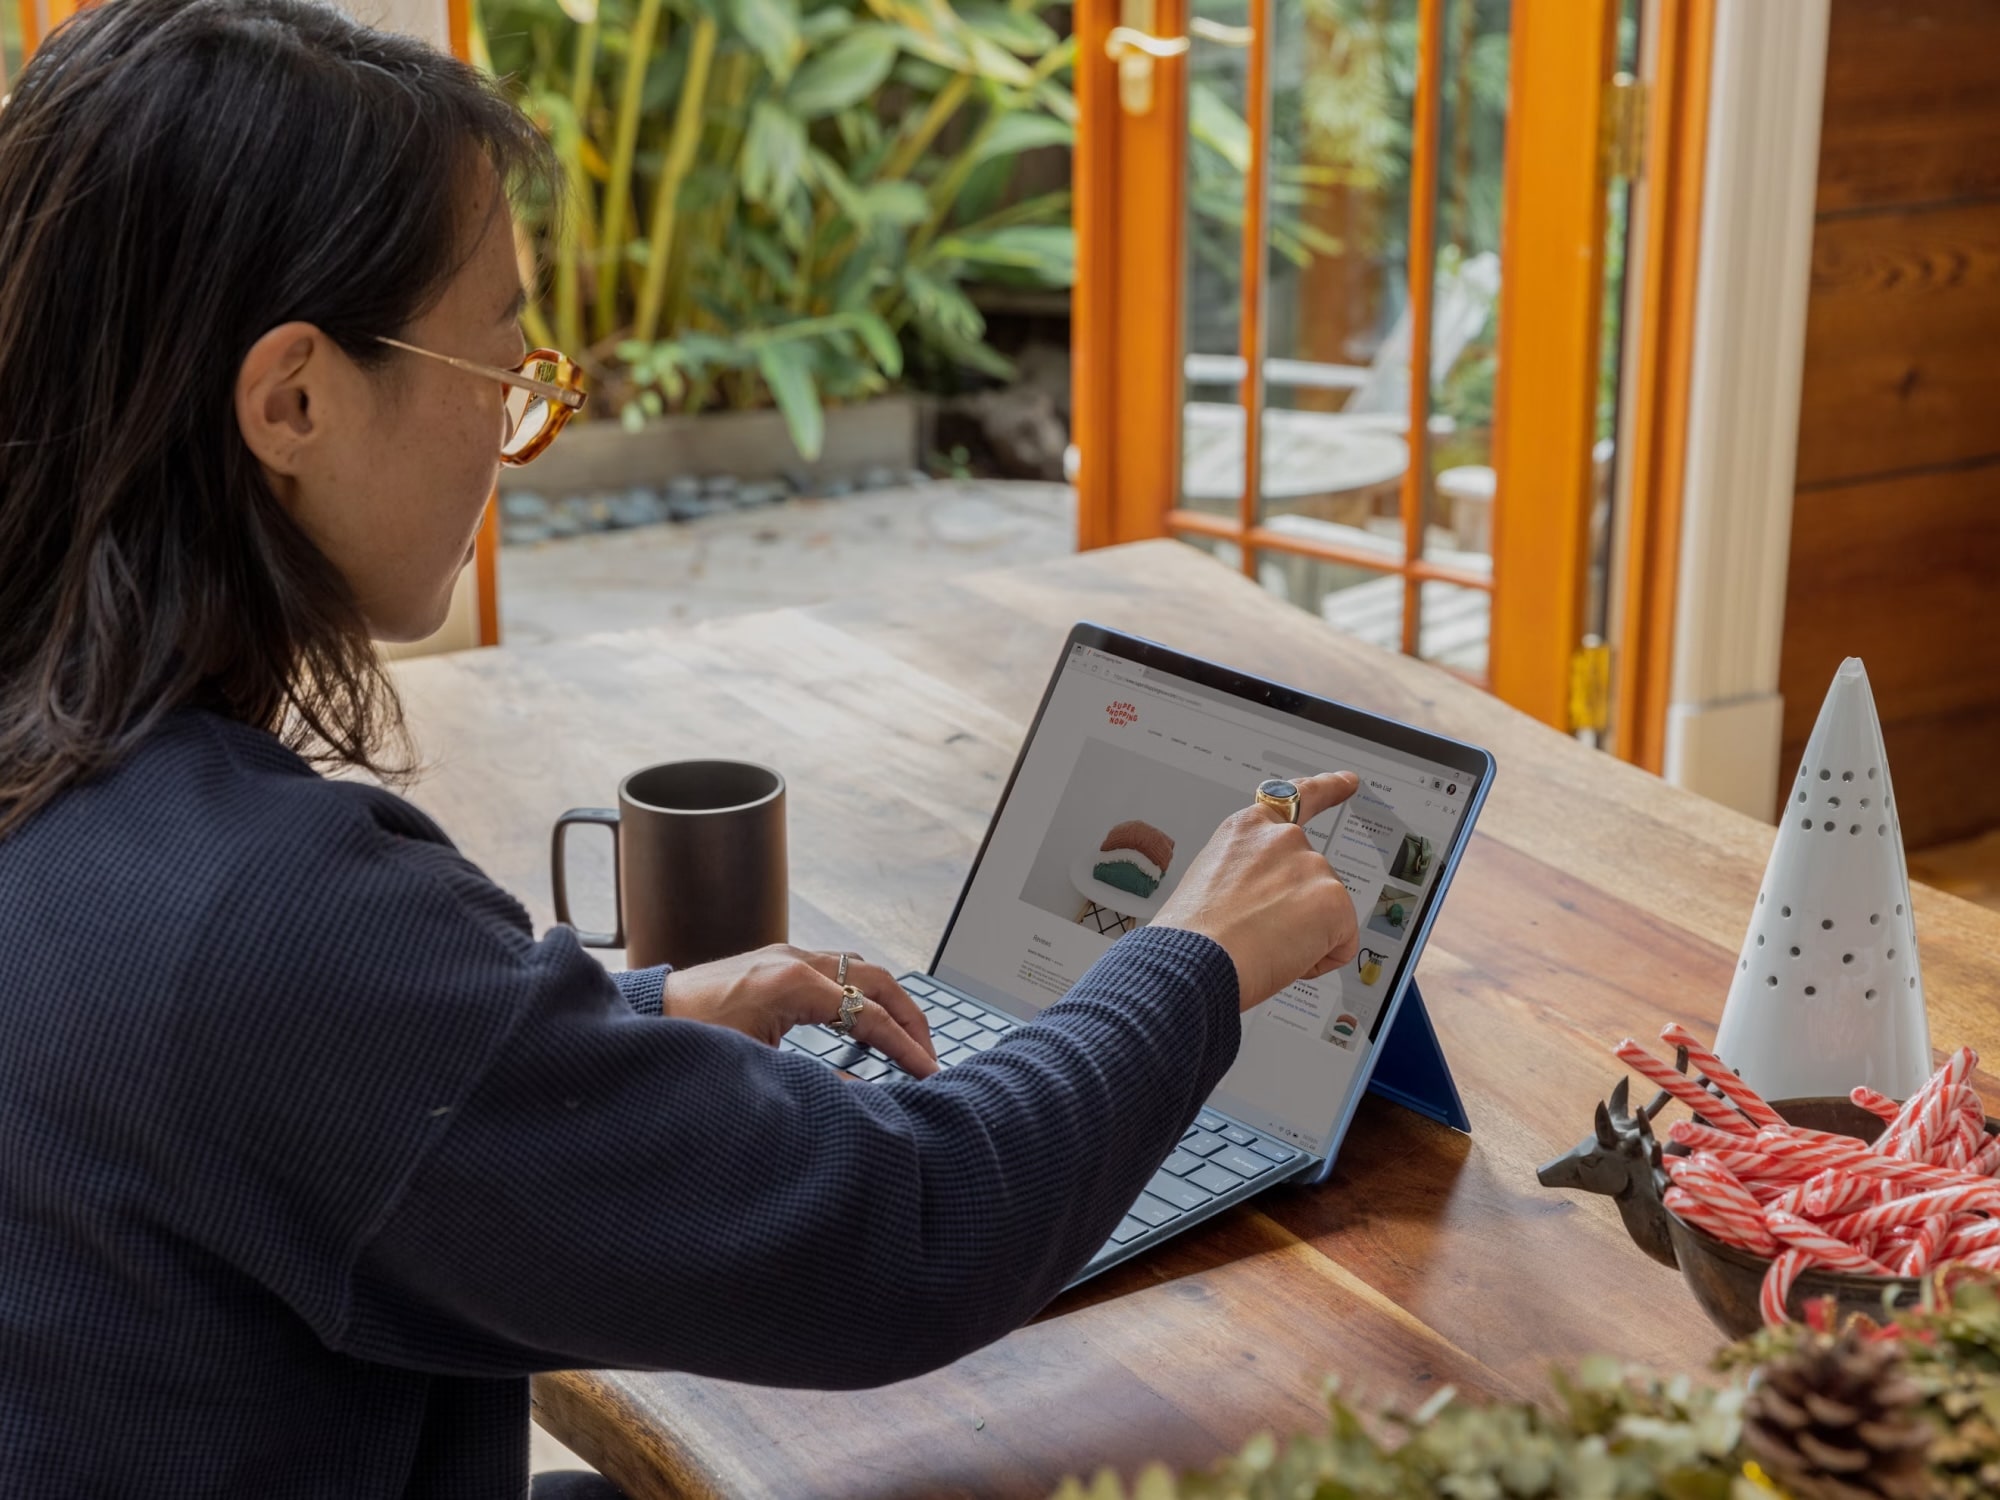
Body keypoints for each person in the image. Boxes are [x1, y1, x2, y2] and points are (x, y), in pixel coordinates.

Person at [0, 2, 1362, 1496]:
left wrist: (632, 1020)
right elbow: (900, 1232)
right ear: (294, 400)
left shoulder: (75, 790)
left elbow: (291, 1086)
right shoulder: (263, 915)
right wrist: (1200, 958)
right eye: (500, 363)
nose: (517, 431)